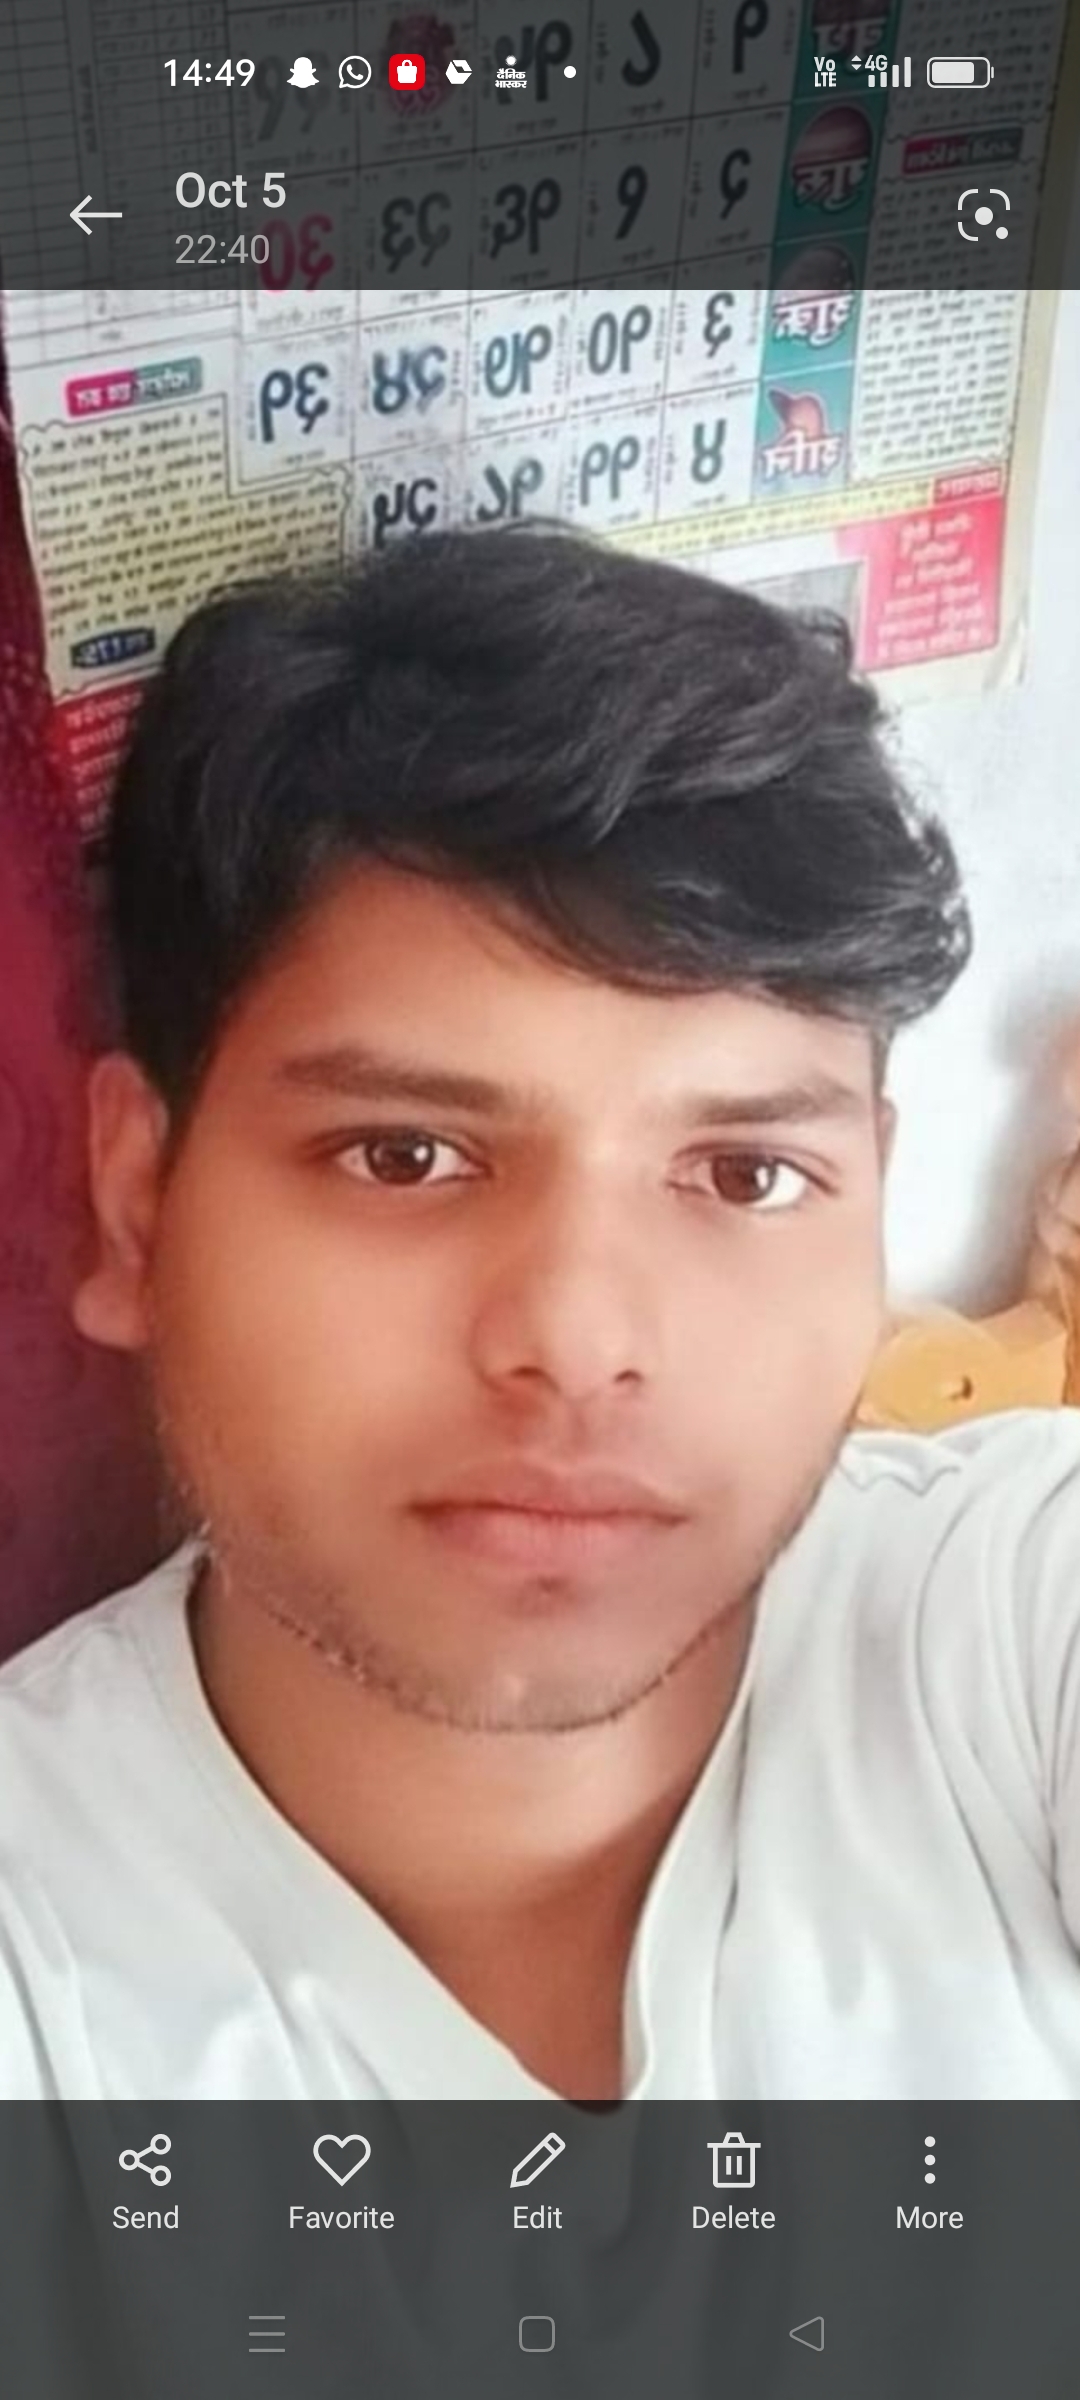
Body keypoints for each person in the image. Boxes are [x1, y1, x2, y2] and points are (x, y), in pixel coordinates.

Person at [1, 523, 1078, 2104]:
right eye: (405, 1156)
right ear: (136, 1207)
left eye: (746, 1175)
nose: (579, 1342)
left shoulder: (1010, 1627)